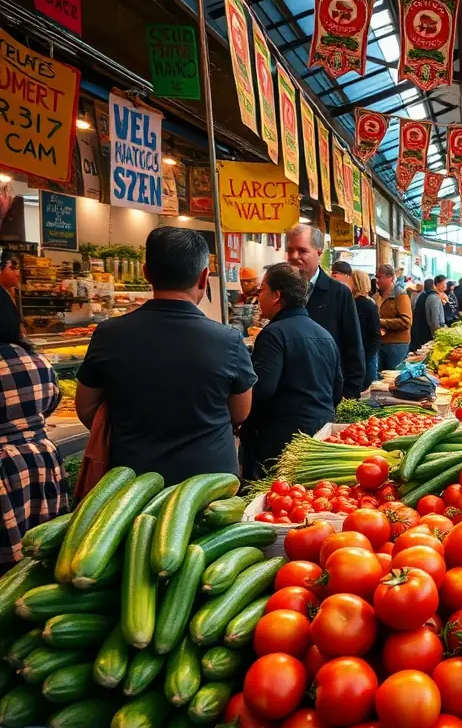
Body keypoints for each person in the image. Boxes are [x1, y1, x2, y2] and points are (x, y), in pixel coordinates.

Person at [75, 227, 257, 484]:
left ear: (146, 273)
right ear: (204, 278)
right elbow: (240, 412)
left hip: (131, 486)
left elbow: (86, 408)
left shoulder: (108, 334)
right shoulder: (228, 340)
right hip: (209, 485)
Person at [240, 264, 342, 479]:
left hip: (281, 440)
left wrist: (241, 418)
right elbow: (337, 386)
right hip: (320, 433)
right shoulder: (324, 334)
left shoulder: (273, 335)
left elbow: (262, 390)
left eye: (263, 290)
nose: (259, 296)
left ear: (277, 295)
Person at [0, 292, 68, 568]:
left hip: (5, 470)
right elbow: (52, 400)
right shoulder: (35, 359)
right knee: (42, 551)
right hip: (40, 461)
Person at [286, 224, 365, 399]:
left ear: (319, 253)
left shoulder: (339, 293)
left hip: (329, 391)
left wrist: (351, 392)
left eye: (302, 251)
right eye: (290, 250)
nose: (294, 257)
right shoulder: (282, 293)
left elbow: (353, 344)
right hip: (291, 392)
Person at [376, 264, 412, 372]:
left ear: (390, 278)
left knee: (394, 376)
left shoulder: (400, 295)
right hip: (381, 343)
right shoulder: (378, 295)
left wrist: (381, 322)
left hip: (397, 344)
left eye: (380, 277)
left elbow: (406, 321)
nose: (377, 280)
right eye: (376, 277)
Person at [352, 270, 381, 389]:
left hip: (365, 355)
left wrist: (367, 356)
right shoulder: (368, 303)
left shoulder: (366, 304)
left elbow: (375, 334)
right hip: (364, 354)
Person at [410, 278, 445, 351]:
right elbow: (434, 321)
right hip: (427, 335)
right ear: (434, 286)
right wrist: (438, 336)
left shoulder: (422, 296)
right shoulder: (433, 297)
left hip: (418, 333)